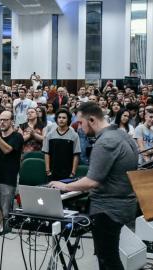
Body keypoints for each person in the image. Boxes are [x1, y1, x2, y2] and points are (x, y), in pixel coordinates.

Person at [49, 102, 138, 270]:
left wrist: (64, 186)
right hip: (124, 203)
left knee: (108, 260)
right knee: (111, 256)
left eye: (81, 123)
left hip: (108, 209)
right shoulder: (122, 134)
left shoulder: (105, 142)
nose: (80, 128)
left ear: (91, 119)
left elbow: (92, 181)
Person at [42, 109, 80, 180]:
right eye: (59, 117)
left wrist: (73, 173)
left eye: (64, 118)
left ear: (68, 120)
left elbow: (76, 154)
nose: (61, 120)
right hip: (52, 172)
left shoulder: (74, 135)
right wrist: (48, 171)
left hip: (68, 173)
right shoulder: (50, 135)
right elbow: (46, 153)